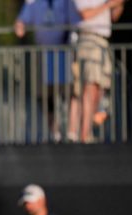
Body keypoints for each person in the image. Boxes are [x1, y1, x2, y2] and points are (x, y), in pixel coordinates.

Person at [14, 0, 81, 142]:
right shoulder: (33, 2)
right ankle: (54, 131)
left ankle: (72, 131)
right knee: (44, 96)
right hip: (43, 53)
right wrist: (20, 25)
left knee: (72, 92)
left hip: (65, 52)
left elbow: (76, 21)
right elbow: (22, 21)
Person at [67, 0, 125, 142]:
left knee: (99, 87)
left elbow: (113, 17)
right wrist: (108, 5)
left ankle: (87, 131)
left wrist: (118, 4)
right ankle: (82, 134)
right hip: (88, 39)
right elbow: (85, 14)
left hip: (103, 41)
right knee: (88, 87)